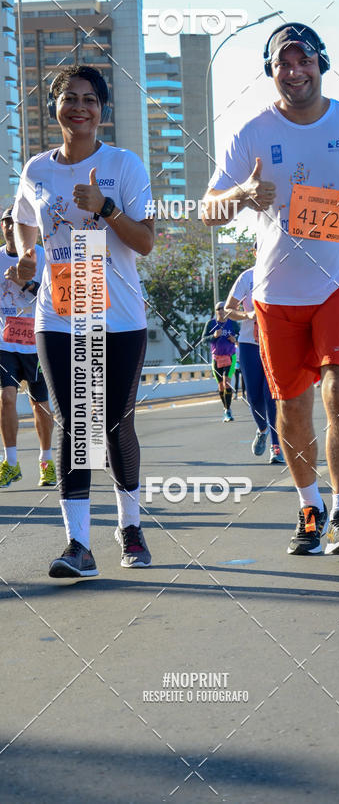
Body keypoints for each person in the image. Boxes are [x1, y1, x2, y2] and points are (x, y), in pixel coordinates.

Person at [202, 22, 339, 555]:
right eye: (283, 63)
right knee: (292, 406)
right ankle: (309, 506)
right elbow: (208, 211)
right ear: (271, 71)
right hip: (277, 291)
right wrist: (242, 193)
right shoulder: (252, 131)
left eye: (304, 61)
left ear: (321, 64)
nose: (294, 71)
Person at [13, 64, 154, 576]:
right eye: (69, 97)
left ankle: (130, 526)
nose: (79, 107)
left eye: (90, 99)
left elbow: (146, 241)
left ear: (102, 110)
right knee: (77, 423)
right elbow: (22, 224)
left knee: (114, 423)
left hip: (119, 316)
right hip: (59, 313)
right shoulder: (37, 170)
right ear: (55, 107)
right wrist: (25, 255)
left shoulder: (125, 164)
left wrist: (107, 207)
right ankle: (79, 545)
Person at [0, 207, 55, 487]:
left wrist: (24, 283)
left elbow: (54, 298)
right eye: (7, 222)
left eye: (16, 222)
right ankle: (10, 463)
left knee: (40, 405)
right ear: (2, 227)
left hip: (36, 342)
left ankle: (46, 461)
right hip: (5, 343)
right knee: (6, 398)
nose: (11, 227)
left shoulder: (42, 256)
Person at [226, 259, 284, 462]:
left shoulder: (283, 272)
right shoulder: (247, 277)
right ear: (255, 252)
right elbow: (228, 309)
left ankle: (276, 446)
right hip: (249, 343)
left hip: (275, 343)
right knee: (254, 395)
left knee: (271, 395)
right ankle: (262, 430)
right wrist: (248, 314)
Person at [202, 301, 239, 423]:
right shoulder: (210, 324)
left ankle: (228, 410)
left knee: (227, 382)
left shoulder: (232, 323)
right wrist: (213, 336)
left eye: (223, 308)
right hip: (216, 358)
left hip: (230, 357)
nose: (221, 310)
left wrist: (235, 339)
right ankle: (225, 407)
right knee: (221, 386)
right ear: (216, 311)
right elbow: (203, 340)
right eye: (219, 309)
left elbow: (241, 336)